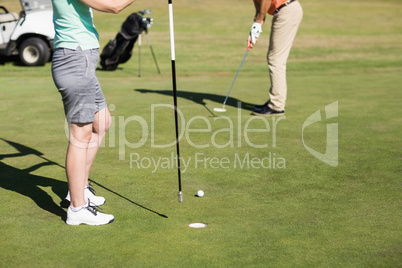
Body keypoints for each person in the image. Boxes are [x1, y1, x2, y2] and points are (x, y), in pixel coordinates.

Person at [51, 0, 136, 225]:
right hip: (75, 60)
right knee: (81, 135)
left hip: (81, 60)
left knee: (102, 122)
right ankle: (77, 208)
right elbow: (113, 6)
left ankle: (79, 188)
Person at [248, 0, 303, 116]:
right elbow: (260, 7)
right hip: (285, 11)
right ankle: (276, 102)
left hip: (286, 10)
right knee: (275, 58)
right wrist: (255, 28)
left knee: (276, 59)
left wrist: (258, 21)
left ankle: (276, 105)